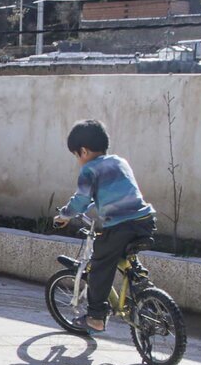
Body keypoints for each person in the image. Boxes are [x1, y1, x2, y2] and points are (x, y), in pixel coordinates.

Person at [53, 119, 156, 333]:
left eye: (76, 156)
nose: (78, 160)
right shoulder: (120, 162)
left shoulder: (89, 170)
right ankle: (140, 280)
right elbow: (111, 195)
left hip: (120, 226)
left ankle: (96, 317)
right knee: (119, 253)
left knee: (100, 264)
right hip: (145, 221)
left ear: (83, 151)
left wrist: (65, 215)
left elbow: (80, 201)